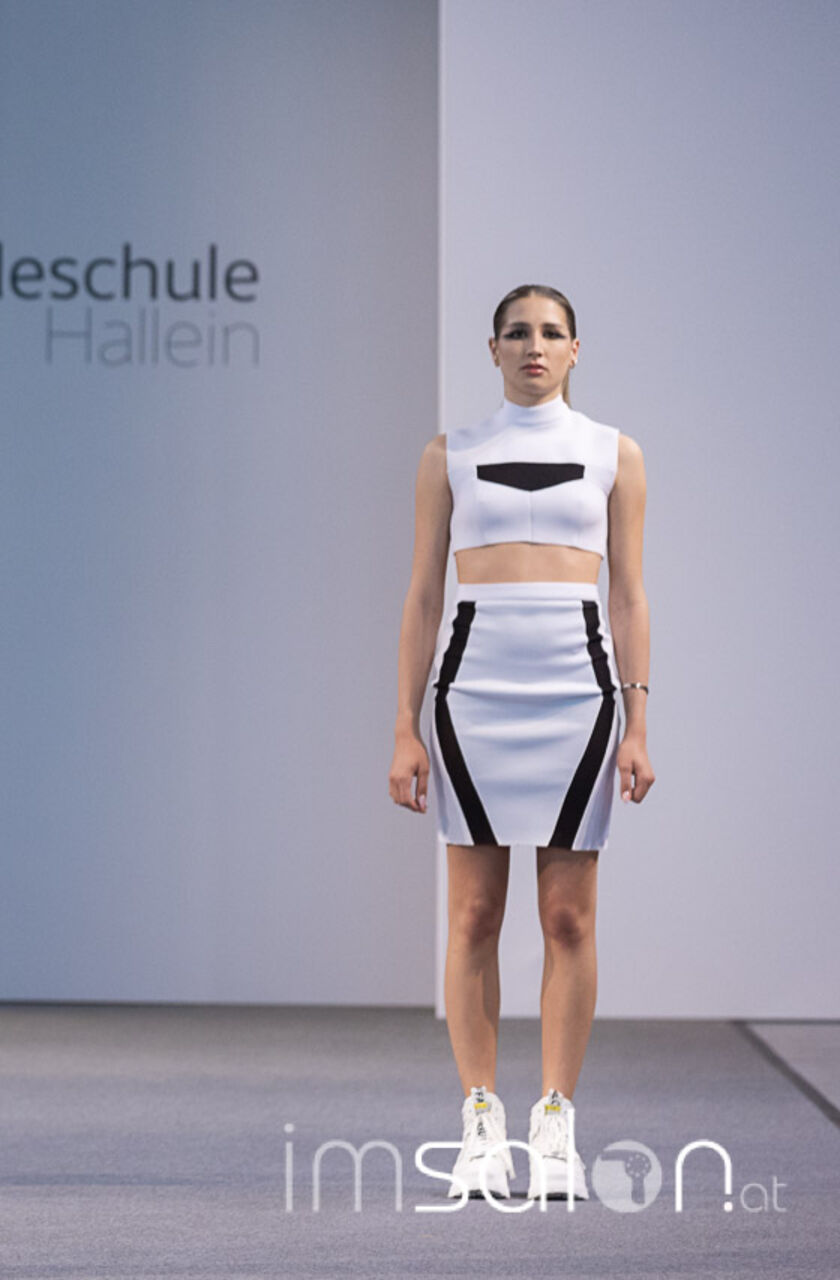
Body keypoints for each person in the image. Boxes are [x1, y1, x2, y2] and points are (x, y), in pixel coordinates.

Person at [388, 284, 654, 1201]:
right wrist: (405, 726)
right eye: (516, 332)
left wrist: (638, 721)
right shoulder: (449, 456)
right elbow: (424, 595)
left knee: (568, 918)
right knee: (473, 917)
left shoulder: (615, 453)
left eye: (550, 333)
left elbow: (629, 595)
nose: (533, 346)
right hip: (473, 696)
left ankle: (555, 1121)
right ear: (493, 348)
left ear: (576, 349)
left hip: (578, 697)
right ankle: (478, 1122)